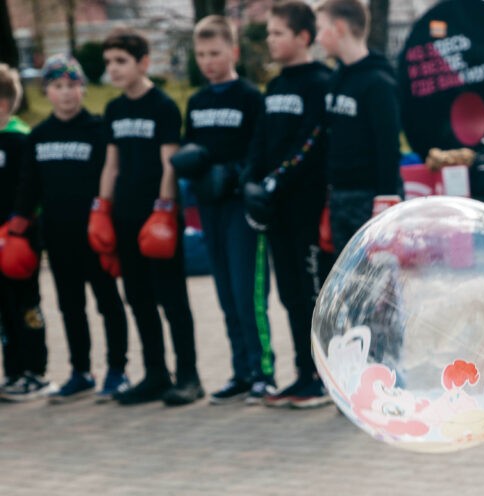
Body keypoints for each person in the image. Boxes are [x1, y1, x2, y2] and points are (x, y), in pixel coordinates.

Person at [90, 29, 203, 406]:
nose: (113, 69)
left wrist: (165, 210)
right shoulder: (114, 109)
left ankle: (188, 375)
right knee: (137, 297)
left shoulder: (163, 106)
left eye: (121, 61)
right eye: (108, 63)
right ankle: (155, 372)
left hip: (157, 218)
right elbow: (111, 164)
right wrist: (101, 208)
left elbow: (168, 163)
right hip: (123, 216)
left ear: (142, 62)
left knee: (171, 298)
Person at [14, 55, 130, 403]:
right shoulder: (39, 136)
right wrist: (16, 226)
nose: (66, 94)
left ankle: (117, 370)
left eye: (72, 85)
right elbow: (28, 187)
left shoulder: (98, 130)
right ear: (47, 91)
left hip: (95, 236)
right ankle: (81, 371)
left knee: (108, 303)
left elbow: (113, 177)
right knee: (70, 306)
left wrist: (112, 223)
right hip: (58, 237)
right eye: (57, 86)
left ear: (82, 87)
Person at [176, 15, 273, 405]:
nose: (207, 61)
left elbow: (259, 150)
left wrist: (235, 174)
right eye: (201, 54)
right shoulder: (197, 101)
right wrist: (193, 167)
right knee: (224, 296)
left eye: (214, 53)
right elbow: (190, 148)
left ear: (232, 51)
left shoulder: (250, 97)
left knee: (247, 293)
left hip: (239, 208)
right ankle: (240, 372)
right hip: (209, 208)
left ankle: (264, 373)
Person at [244, 0, 333, 409]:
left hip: (307, 209)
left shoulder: (322, 82)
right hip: (275, 211)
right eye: (268, 34)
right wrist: (252, 183)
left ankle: (326, 376)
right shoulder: (275, 86)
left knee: (315, 295)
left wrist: (276, 181)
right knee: (290, 295)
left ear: (303, 37)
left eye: (277, 33)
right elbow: (261, 139)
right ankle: (303, 374)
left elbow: (311, 141)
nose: (270, 41)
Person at [315, 0, 401, 254]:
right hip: (340, 197)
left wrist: (385, 203)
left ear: (339, 28)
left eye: (321, 29)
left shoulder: (378, 82)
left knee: (380, 283)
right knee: (348, 282)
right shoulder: (336, 78)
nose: (318, 38)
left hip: (369, 198)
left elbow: (389, 148)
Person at [0, 64, 53, 401]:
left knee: (26, 304)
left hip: (19, 239)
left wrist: (19, 225)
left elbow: (30, 189)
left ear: (4, 103)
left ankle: (35, 371)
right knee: (4, 308)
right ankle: (14, 371)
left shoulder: (21, 139)